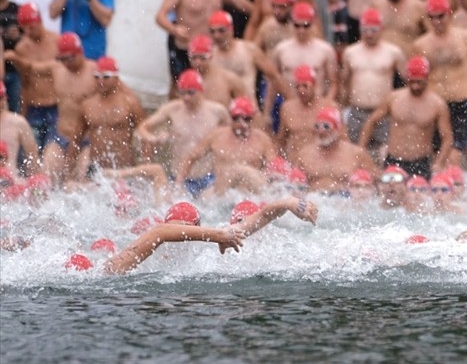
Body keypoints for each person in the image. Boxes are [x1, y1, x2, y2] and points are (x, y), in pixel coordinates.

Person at [103, 196, 318, 275]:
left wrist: (288, 203)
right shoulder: (146, 250)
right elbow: (160, 233)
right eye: (176, 230)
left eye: (184, 230)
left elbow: (260, 217)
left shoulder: (208, 247)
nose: (179, 236)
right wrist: (216, 235)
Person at [7, 34, 98, 184]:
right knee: (44, 181)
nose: (66, 63)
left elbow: (119, 94)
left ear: (80, 52)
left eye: (69, 58)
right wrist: (15, 58)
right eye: (62, 58)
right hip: (61, 136)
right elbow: (30, 68)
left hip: (85, 139)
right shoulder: (56, 68)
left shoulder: (95, 71)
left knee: (81, 181)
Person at [410, 0, 467, 159]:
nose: (436, 21)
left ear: (450, 13)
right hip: (436, 106)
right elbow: (415, 80)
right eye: (432, 17)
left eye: (440, 16)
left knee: (459, 155)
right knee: (436, 155)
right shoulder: (420, 44)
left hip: (463, 102)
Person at [156, 0, 255, 81]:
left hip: (209, 49)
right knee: (179, 86)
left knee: (208, 85)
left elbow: (238, 2)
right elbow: (160, 16)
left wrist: (257, 11)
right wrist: (174, 29)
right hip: (185, 47)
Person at [360, 56, 454, 179]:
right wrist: (361, 150)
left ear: (427, 78)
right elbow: (371, 122)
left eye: (419, 82)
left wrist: (439, 163)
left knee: (420, 198)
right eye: (411, 81)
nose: (415, 86)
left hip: (421, 163)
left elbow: (447, 137)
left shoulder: (437, 104)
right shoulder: (394, 98)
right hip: (394, 160)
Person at [136, 69, 230, 184]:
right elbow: (143, 127)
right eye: (182, 93)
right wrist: (152, 138)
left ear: (201, 91)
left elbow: (231, 136)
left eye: (191, 93)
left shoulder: (217, 111)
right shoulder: (172, 109)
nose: (186, 97)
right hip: (178, 178)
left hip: (207, 178)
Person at [176, 97, 277, 197]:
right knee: (205, 195)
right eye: (236, 118)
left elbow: (274, 166)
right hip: (222, 191)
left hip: (251, 192)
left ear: (253, 118)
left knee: (244, 171)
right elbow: (191, 157)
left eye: (246, 119)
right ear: (230, 117)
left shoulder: (262, 139)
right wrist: (179, 183)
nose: (241, 124)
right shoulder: (217, 136)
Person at [340, 8, 406, 147]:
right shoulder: (350, 52)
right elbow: (344, 84)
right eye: (365, 30)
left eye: (373, 30)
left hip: (383, 113)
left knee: (385, 152)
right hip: (357, 111)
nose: (369, 34)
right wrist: (342, 109)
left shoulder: (393, 52)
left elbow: (407, 82)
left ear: (381, 29)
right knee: (355, 151)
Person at [77, 57, 144, 175]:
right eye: (97, 77)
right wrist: (69, 172)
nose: (101, 81)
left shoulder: (130, 103)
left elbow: (145, 135)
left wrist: (144, 166)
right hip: (96, 170)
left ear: (116, 77)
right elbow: (75, 139)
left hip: (123, 169)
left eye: (106, 77)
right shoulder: (87, 105)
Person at [7, 4, 59, 149]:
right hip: (34, 107)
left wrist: (21, 62)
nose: (29, 31)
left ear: (40, 21)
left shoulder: (56, 41)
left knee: (53, 153)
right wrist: (23, 112)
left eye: (32, 26)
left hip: (55, 106)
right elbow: (25, 81)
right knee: (33, 154)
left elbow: (57, 70)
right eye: (25, 28)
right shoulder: (22, 47)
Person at [293, 107, 377, 195]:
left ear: (338, 128)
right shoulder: (305, 153)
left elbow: (376, 181)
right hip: (314, 200)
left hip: (343, 202)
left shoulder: (356, 153)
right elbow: (293, 183)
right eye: (317, 126)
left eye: (326, 126)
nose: (321, 131)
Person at [270, 2, 339, 101]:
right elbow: (273, 82)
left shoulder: (325, 50)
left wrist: (326, 104)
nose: (301, 30)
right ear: (291, 23)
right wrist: (267, 112)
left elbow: (334, 84)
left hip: (316, 105)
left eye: (306, 26)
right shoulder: (281, 50)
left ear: (313, 24)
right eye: (297, 25)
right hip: (290, 107)